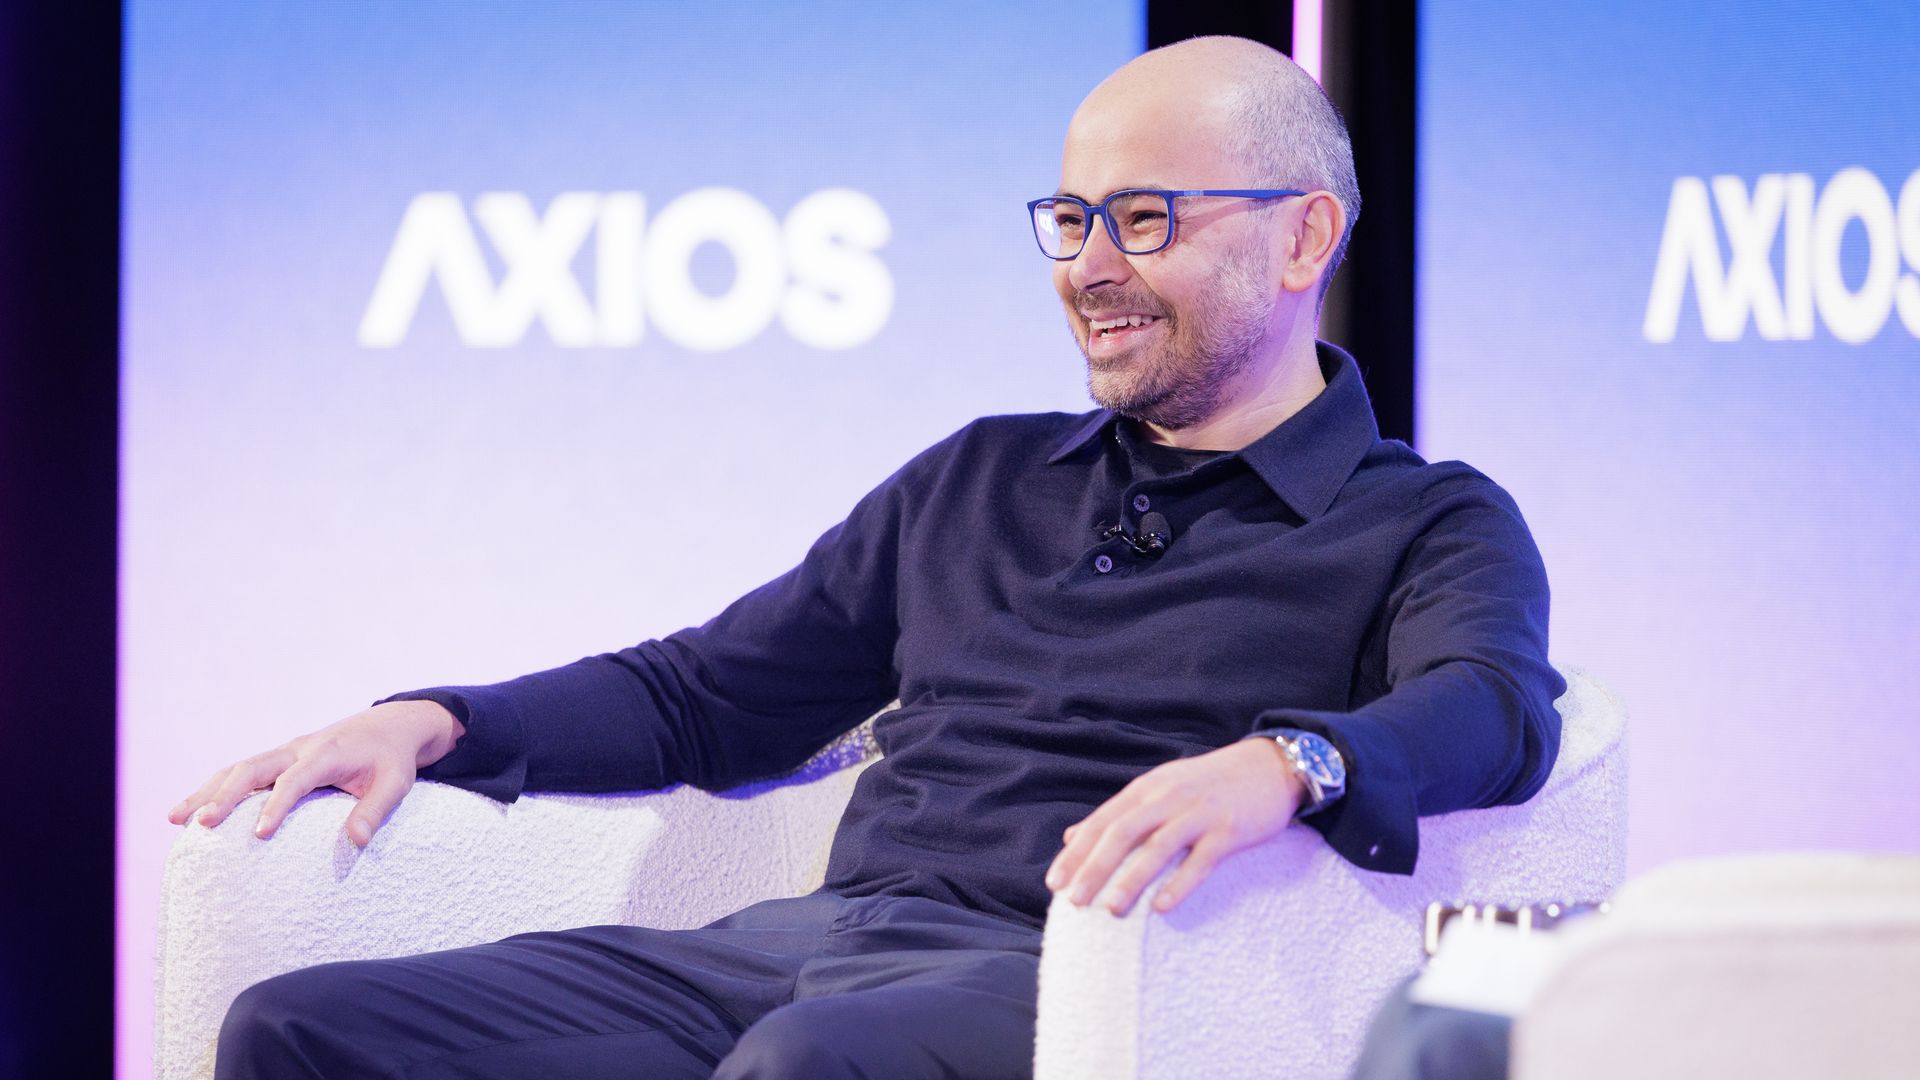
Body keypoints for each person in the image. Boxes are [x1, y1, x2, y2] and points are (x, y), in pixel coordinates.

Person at [172, 35, 1562, 1080]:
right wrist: (438, 722)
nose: (1089, 265)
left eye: (1147, 220)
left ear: (1304, 233)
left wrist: (1288, 763)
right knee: (303, 1030)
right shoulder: (983, 474)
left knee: (811, 1065)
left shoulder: (1424, 517)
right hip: (816, 943)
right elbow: (705, 693)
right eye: (1071, 221)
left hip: (1106, 975)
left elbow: (1495, 708)